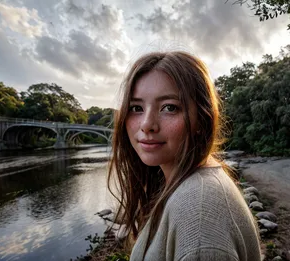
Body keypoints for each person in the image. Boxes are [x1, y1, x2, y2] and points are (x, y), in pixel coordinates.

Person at [107, 51, 261, 261]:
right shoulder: (185, 183)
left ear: (202, 119)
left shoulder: (199, 217)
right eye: (136, 108)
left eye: (169, 107)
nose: (146, 124)